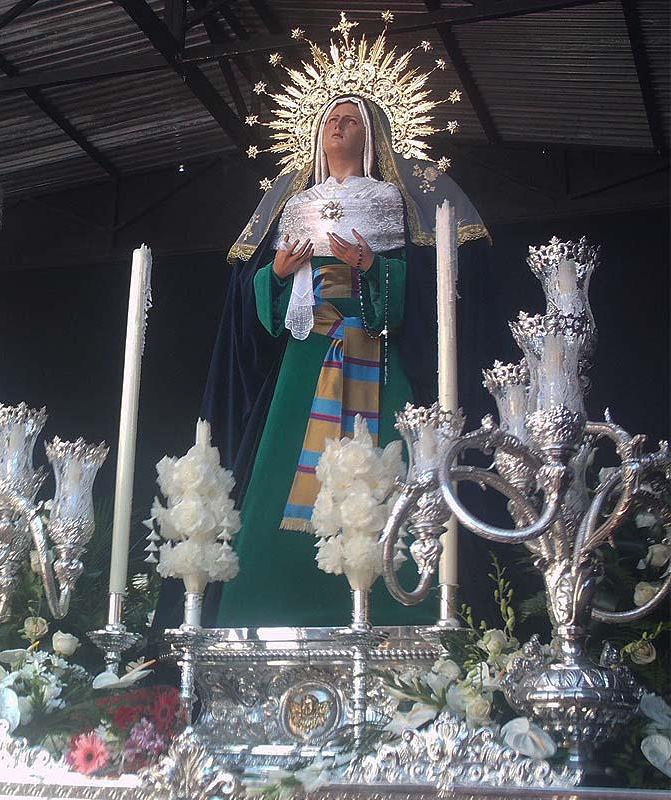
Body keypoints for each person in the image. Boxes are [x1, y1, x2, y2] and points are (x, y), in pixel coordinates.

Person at [204, 92, 488, 627]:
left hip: (368, 348)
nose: (338, 126)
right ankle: (270, 607)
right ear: (316, 135)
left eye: (351, 120)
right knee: (284, 468)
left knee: (386, 463)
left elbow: (417, 292)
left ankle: (397, 610)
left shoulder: (389, 199)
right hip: (307, 355)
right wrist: (280, 274)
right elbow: (267, 302)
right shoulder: (295, 204)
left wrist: (373, 265)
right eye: (331, 120)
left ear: (371, 135)